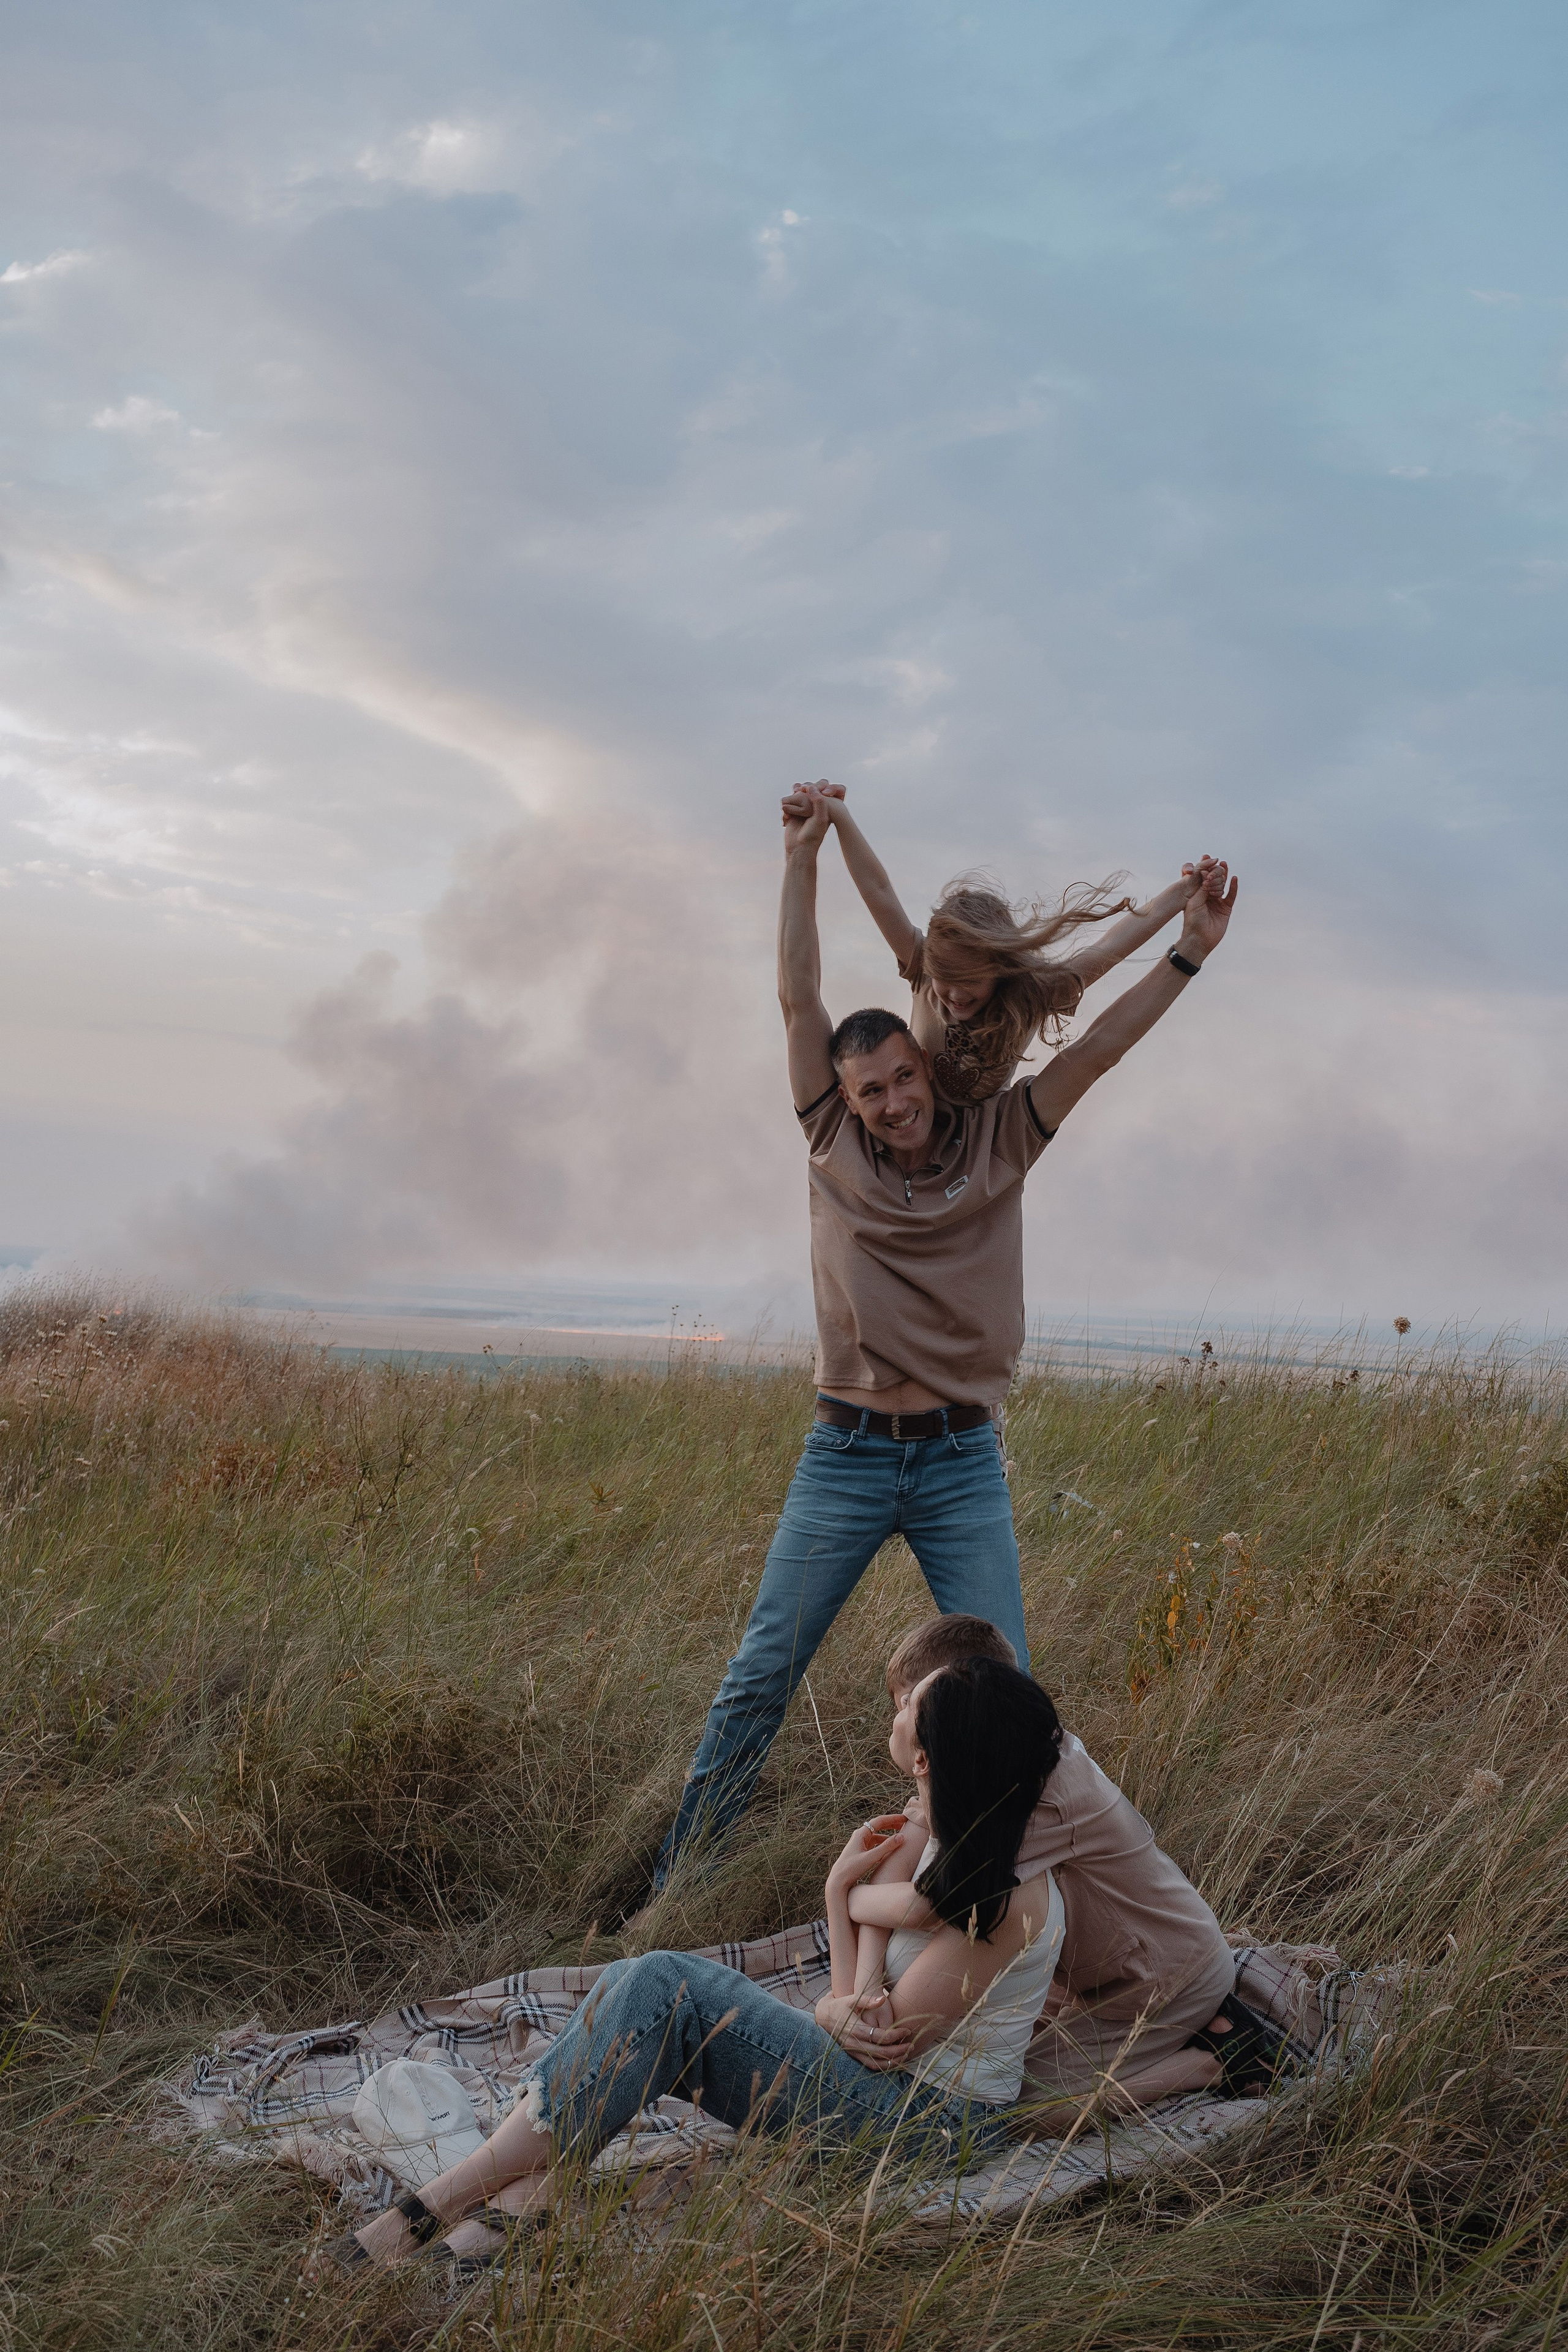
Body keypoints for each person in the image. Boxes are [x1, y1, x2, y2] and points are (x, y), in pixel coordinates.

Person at [643, 786, 1238, 1895]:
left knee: (1009, 1699)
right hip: (847, 1453)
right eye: (868, 1090)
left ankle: (1007, 1897)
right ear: (845, 1097)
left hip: (962, 1460)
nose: (889, 1103)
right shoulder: (831, 1139)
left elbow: (1102, 1044)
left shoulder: (1006, 1133)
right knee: (760, 1676)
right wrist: (801, 855)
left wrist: (1188, 951)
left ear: (929, 1066)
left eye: (901, 1080)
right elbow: (798, 993)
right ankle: (678, 1885)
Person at [332, 1658, 1068, 2272]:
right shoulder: (936, 1828)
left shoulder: (1010, 1901)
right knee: (631, 1990)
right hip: (887, 2089)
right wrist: (842, 1911)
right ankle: (500, 2218)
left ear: (927, 1757)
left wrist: (838, 1914)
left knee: (661, 1986)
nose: (898, 1707)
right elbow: (860, 1986)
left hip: (927, 2127)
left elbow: (871, 2038)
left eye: (911, 1705)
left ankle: (433, 2206)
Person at [858, 1615, 1239, 2121]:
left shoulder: (1038, 1793)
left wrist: (849, 1895)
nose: (902, 1719)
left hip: (1160, 1981)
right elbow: (915, 1839)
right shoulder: (997, 1756)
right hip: (1103, 1969)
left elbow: (936, 1901)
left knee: (1016, 2109)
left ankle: (1209, 2064)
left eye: (910, 1704)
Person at [805, 779, 1213, 1106]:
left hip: (977, 1135)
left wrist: (1182, 893)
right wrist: (839, 815)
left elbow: (1108, 948)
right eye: (947, 980)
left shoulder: (1033, 992)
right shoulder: (924, 968)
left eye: (970, 981)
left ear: (1001, 970)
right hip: (914, 1114)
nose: (955, 995)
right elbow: (879, 892)